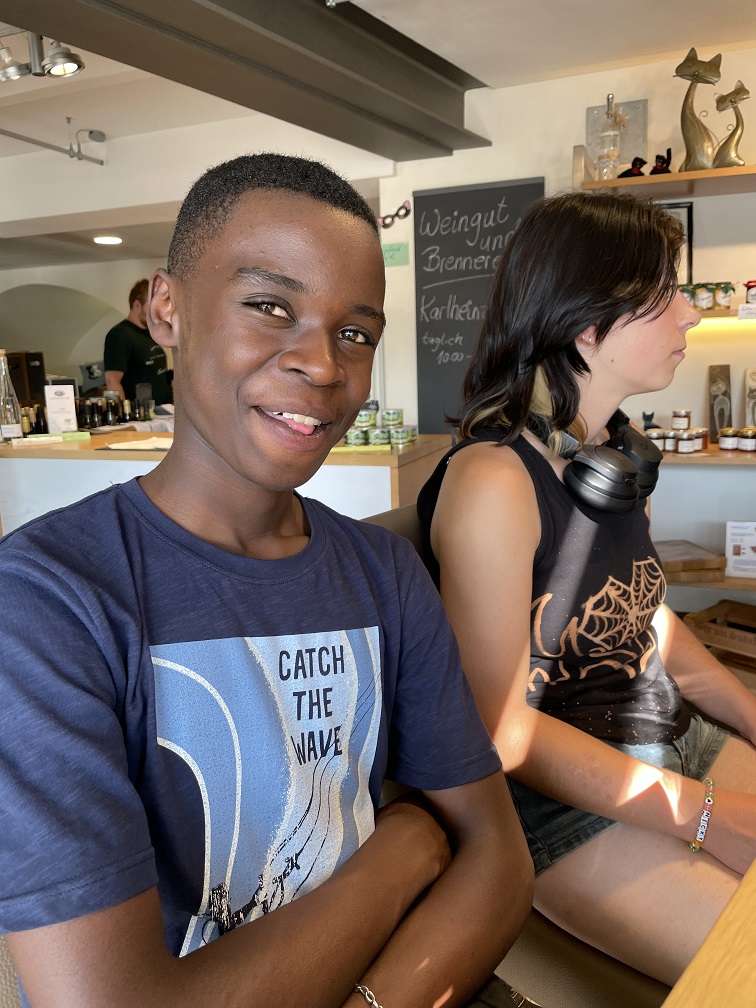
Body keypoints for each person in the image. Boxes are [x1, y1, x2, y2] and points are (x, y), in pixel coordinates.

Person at [0, 153, 538, 1008]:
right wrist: (402, 852)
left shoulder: (383, 572)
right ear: (168, 308)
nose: (322, 364)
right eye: (270, 306)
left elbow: (499, 857)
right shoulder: (47, 601)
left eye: (356, 333)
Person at [417, 190, 756, 988]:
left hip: (673, 738)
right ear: (587, 324)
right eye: (664, 295)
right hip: (559, 801)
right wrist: (705, 815)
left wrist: (748, 711)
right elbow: (503, 732)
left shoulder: (614, 460)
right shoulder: (494, 482)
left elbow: (647, 618)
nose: (690, 314)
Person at [104, 278, 173, 405]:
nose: (155, 311)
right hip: (142, 414)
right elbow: (112, 380)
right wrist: (124, 413)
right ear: (137, 305)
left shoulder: (150, 333)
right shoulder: (120, 334)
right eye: (150, 305)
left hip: (163, 411)